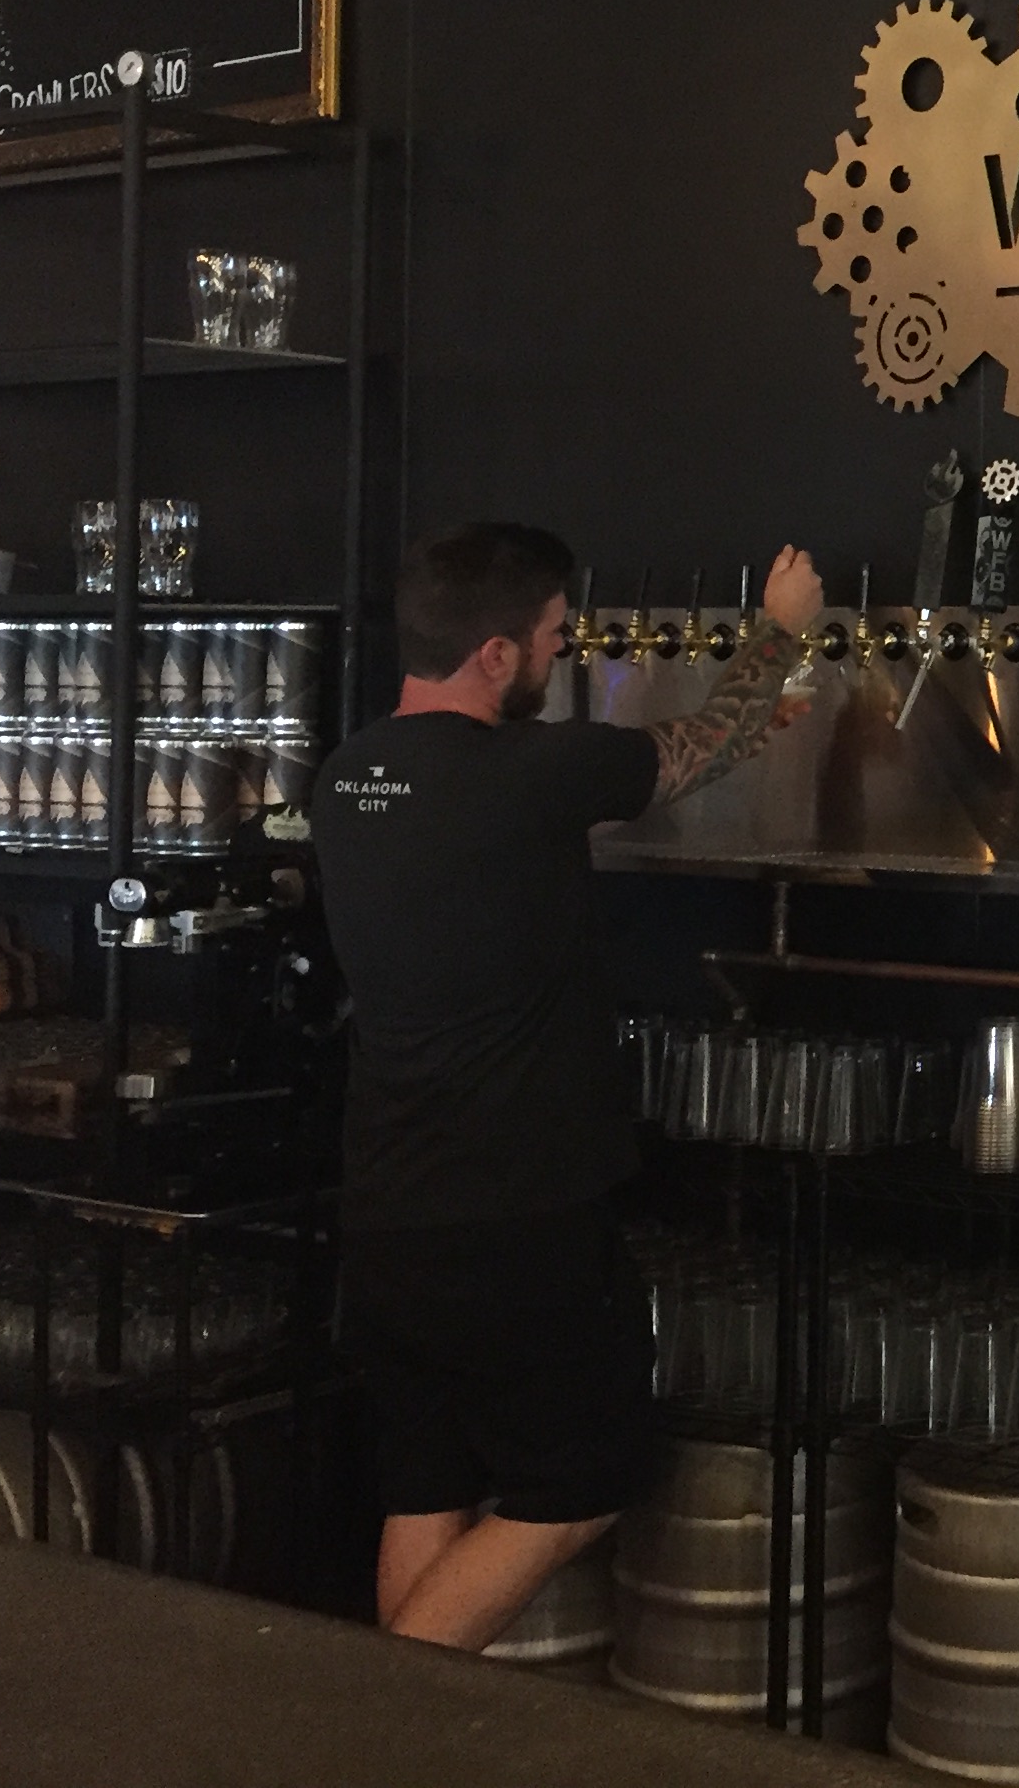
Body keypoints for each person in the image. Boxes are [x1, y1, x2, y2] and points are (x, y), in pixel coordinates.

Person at [312, 522, 822, 1650]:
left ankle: (381, 1726)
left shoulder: (346, 778)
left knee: (427, 1481)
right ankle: (375, 1711)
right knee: (575, 1489)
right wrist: (780, 633)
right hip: (518, 1213)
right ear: (495, 653)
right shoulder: (532, 771)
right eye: (552, 633)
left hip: (388, 1207)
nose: (561, 650)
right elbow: (709, 737)